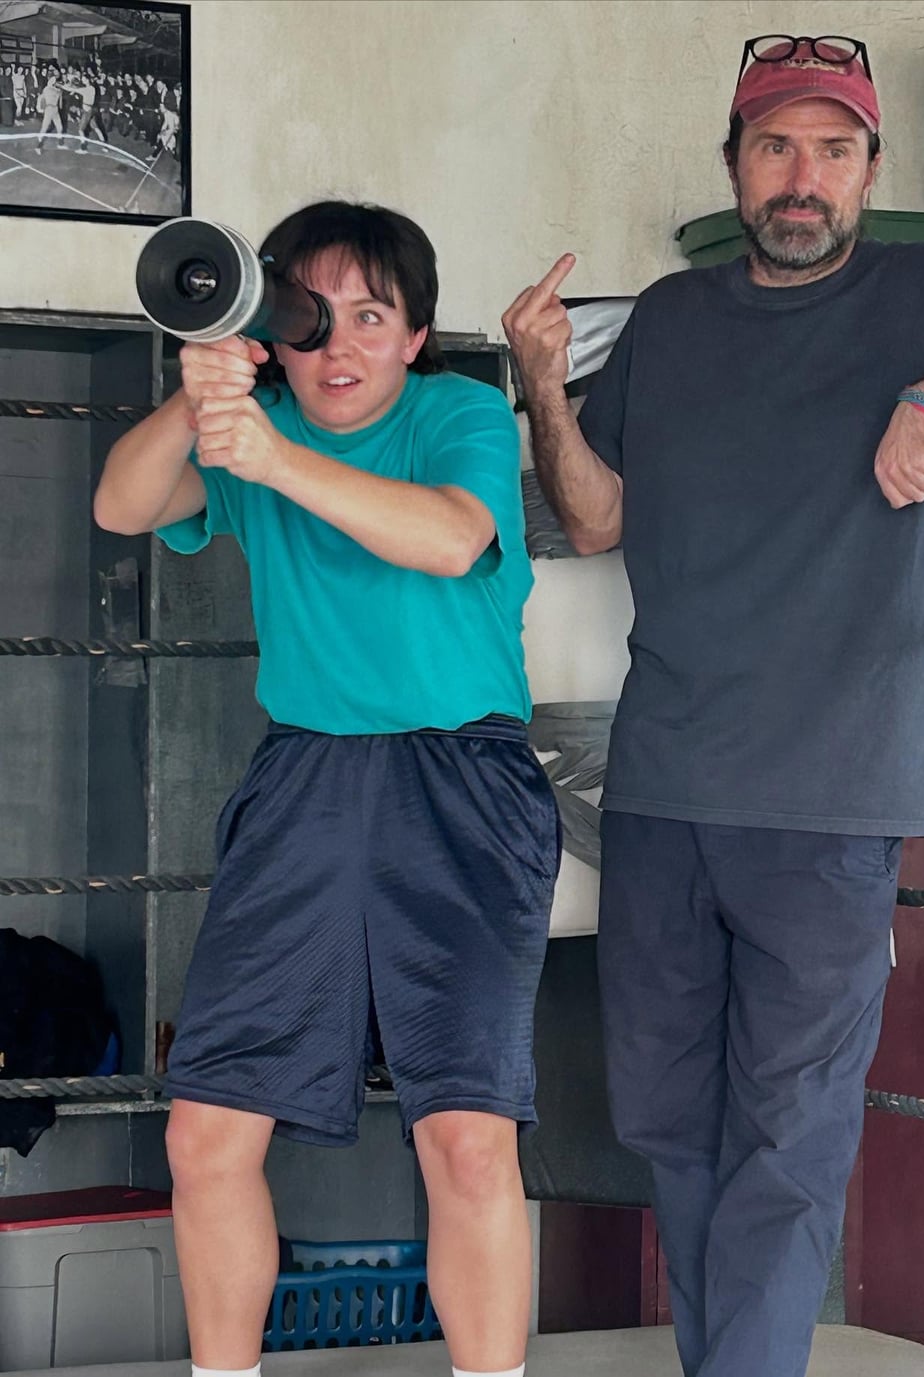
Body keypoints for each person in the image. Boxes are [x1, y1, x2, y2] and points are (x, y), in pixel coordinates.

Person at [503, 34, 924, 1377]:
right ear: (735, 166)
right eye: (775, 146)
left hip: (831, 800)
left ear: (872, 167)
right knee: (671, 1124)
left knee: (789, 1134)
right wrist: (541, 388)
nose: (802, 176)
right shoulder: (672, 320)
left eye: (832, 148)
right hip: (661, 791)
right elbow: (594, 519)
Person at [96, 200, 559, 1377]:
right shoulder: (252, 428)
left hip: (464, 775)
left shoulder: (456, 413)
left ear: (416, 336)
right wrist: (202, 395)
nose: (339, 346)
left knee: (468, 1140)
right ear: (277, 333)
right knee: (205, 1134)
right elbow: (121, 505)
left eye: (371, 317)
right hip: (305, 773)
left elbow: (450, 539)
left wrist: (270, 455)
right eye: (312, 320)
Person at [34, 70, 64, 153]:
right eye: (51, 79)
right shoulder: (46, 89)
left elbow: (59, 100)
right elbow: (41, 98)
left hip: (55, 109)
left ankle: (60, 143)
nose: (53, 81)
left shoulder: (57, 90)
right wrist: (39, 108)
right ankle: (38, 146)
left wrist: (60, 92)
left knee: (59, 127)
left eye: (54, 79)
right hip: (49, 109)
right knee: (44, 127)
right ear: (49, 80)